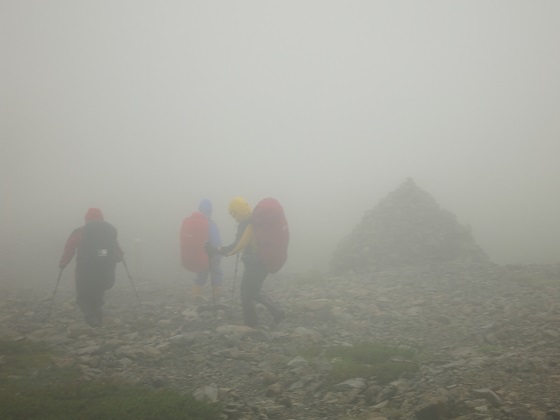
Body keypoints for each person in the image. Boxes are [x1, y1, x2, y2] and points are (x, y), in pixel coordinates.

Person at [218, 197, 284, 327]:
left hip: (254, 264)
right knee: (253, 292)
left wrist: (218, 250)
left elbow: (236, 246)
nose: (233, 216)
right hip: (263, 262)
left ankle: (251, 325)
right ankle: (277, 311)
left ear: (238, 210)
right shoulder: (256, 221)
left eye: (233, 213)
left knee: (246, 294)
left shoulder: (246, 224)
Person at [59, 208, 123, 327]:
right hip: (104, 272)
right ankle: (98, 321)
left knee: (83, 296)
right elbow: (118, 255)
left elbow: (70, 248)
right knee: (97, 295)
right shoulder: (108, 233)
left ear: (86, 219)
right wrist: (104, 255)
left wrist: (63, 263)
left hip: (85, 270)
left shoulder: (79, 232)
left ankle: (91, 318)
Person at [192, 199, 223, 302]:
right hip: (212, 255)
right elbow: (216, 242)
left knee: (201, 275)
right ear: (210, 211)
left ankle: (196, 296)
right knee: (216, 274)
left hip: (200, 255)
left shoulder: (195, 224)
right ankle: (216, 297)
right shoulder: (211, 224)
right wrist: (219, 254)